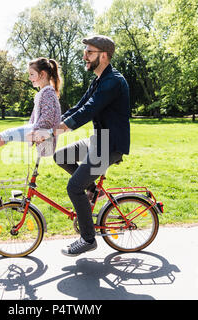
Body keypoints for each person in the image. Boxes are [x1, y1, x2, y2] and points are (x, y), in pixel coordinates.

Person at [35, 35, 131, 257]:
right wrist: (51, 125)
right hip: (98, 141)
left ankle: (88, 239)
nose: (84, 56)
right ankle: (92, 188)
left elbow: (89, 110)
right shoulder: (98, 80)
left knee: (73, 187)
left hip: (110, 145)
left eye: (89, 52)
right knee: (61, 156)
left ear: (104, 55)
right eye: (85, 52)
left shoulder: (113, 81)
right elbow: (79, 106)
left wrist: (56, 130)